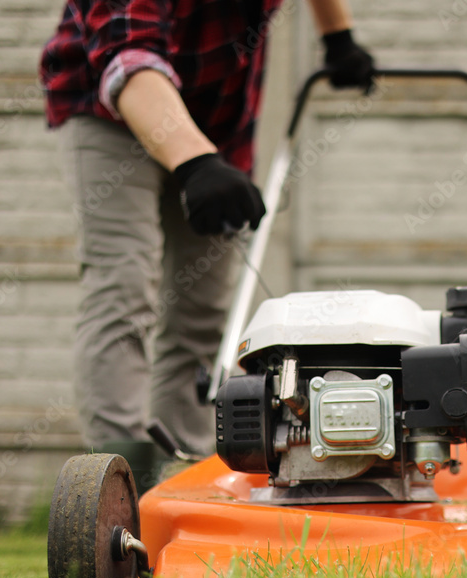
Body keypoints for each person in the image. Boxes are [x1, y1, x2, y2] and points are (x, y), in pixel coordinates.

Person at [39, 0, 374, 490]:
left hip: (219, 113)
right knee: (123, 281)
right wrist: (195, 163)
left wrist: (338, 38)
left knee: (203, 307)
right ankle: (115, 483)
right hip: (109, 108)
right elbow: (128, 56)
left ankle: (184, 475)